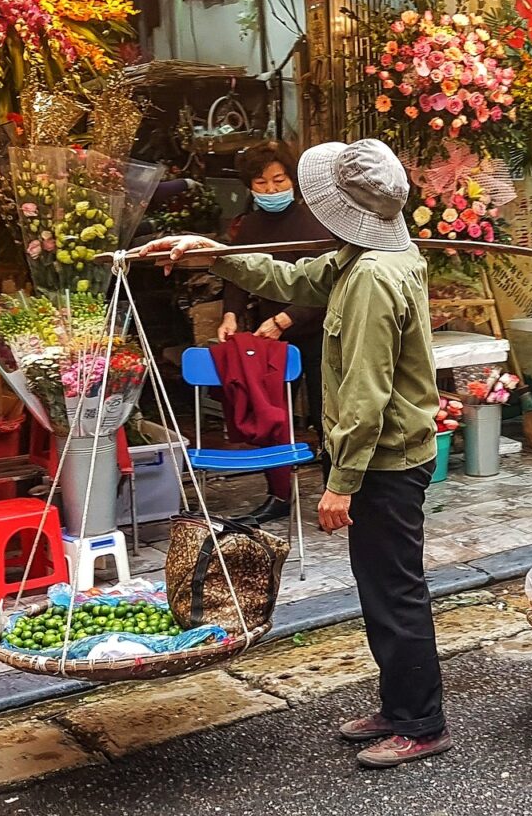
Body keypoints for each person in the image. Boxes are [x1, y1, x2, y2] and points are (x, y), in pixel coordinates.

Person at [145, 139, 449, 769]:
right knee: (379, 586)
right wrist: (213, 252)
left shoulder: (372, 278)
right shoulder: (364, 257)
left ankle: (421, 722)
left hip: (386, 461)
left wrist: (340, 484)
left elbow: (366, 395)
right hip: (384, 456)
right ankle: (400, 705)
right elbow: (288, 277)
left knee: (396, 590)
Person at [218, 142, 334, 526]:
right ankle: (279, 494)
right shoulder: (248, 226)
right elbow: (236, 271)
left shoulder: (315, 221)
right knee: (274, 415)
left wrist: (286, 319)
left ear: (293, 181)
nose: (271, 189)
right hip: (271, 337)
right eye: (261, 182)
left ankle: (339, 496)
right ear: (249, 187)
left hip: (318, 331)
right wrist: (231, 314)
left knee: (326, 413)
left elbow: (329, 284)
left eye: (278, 180)